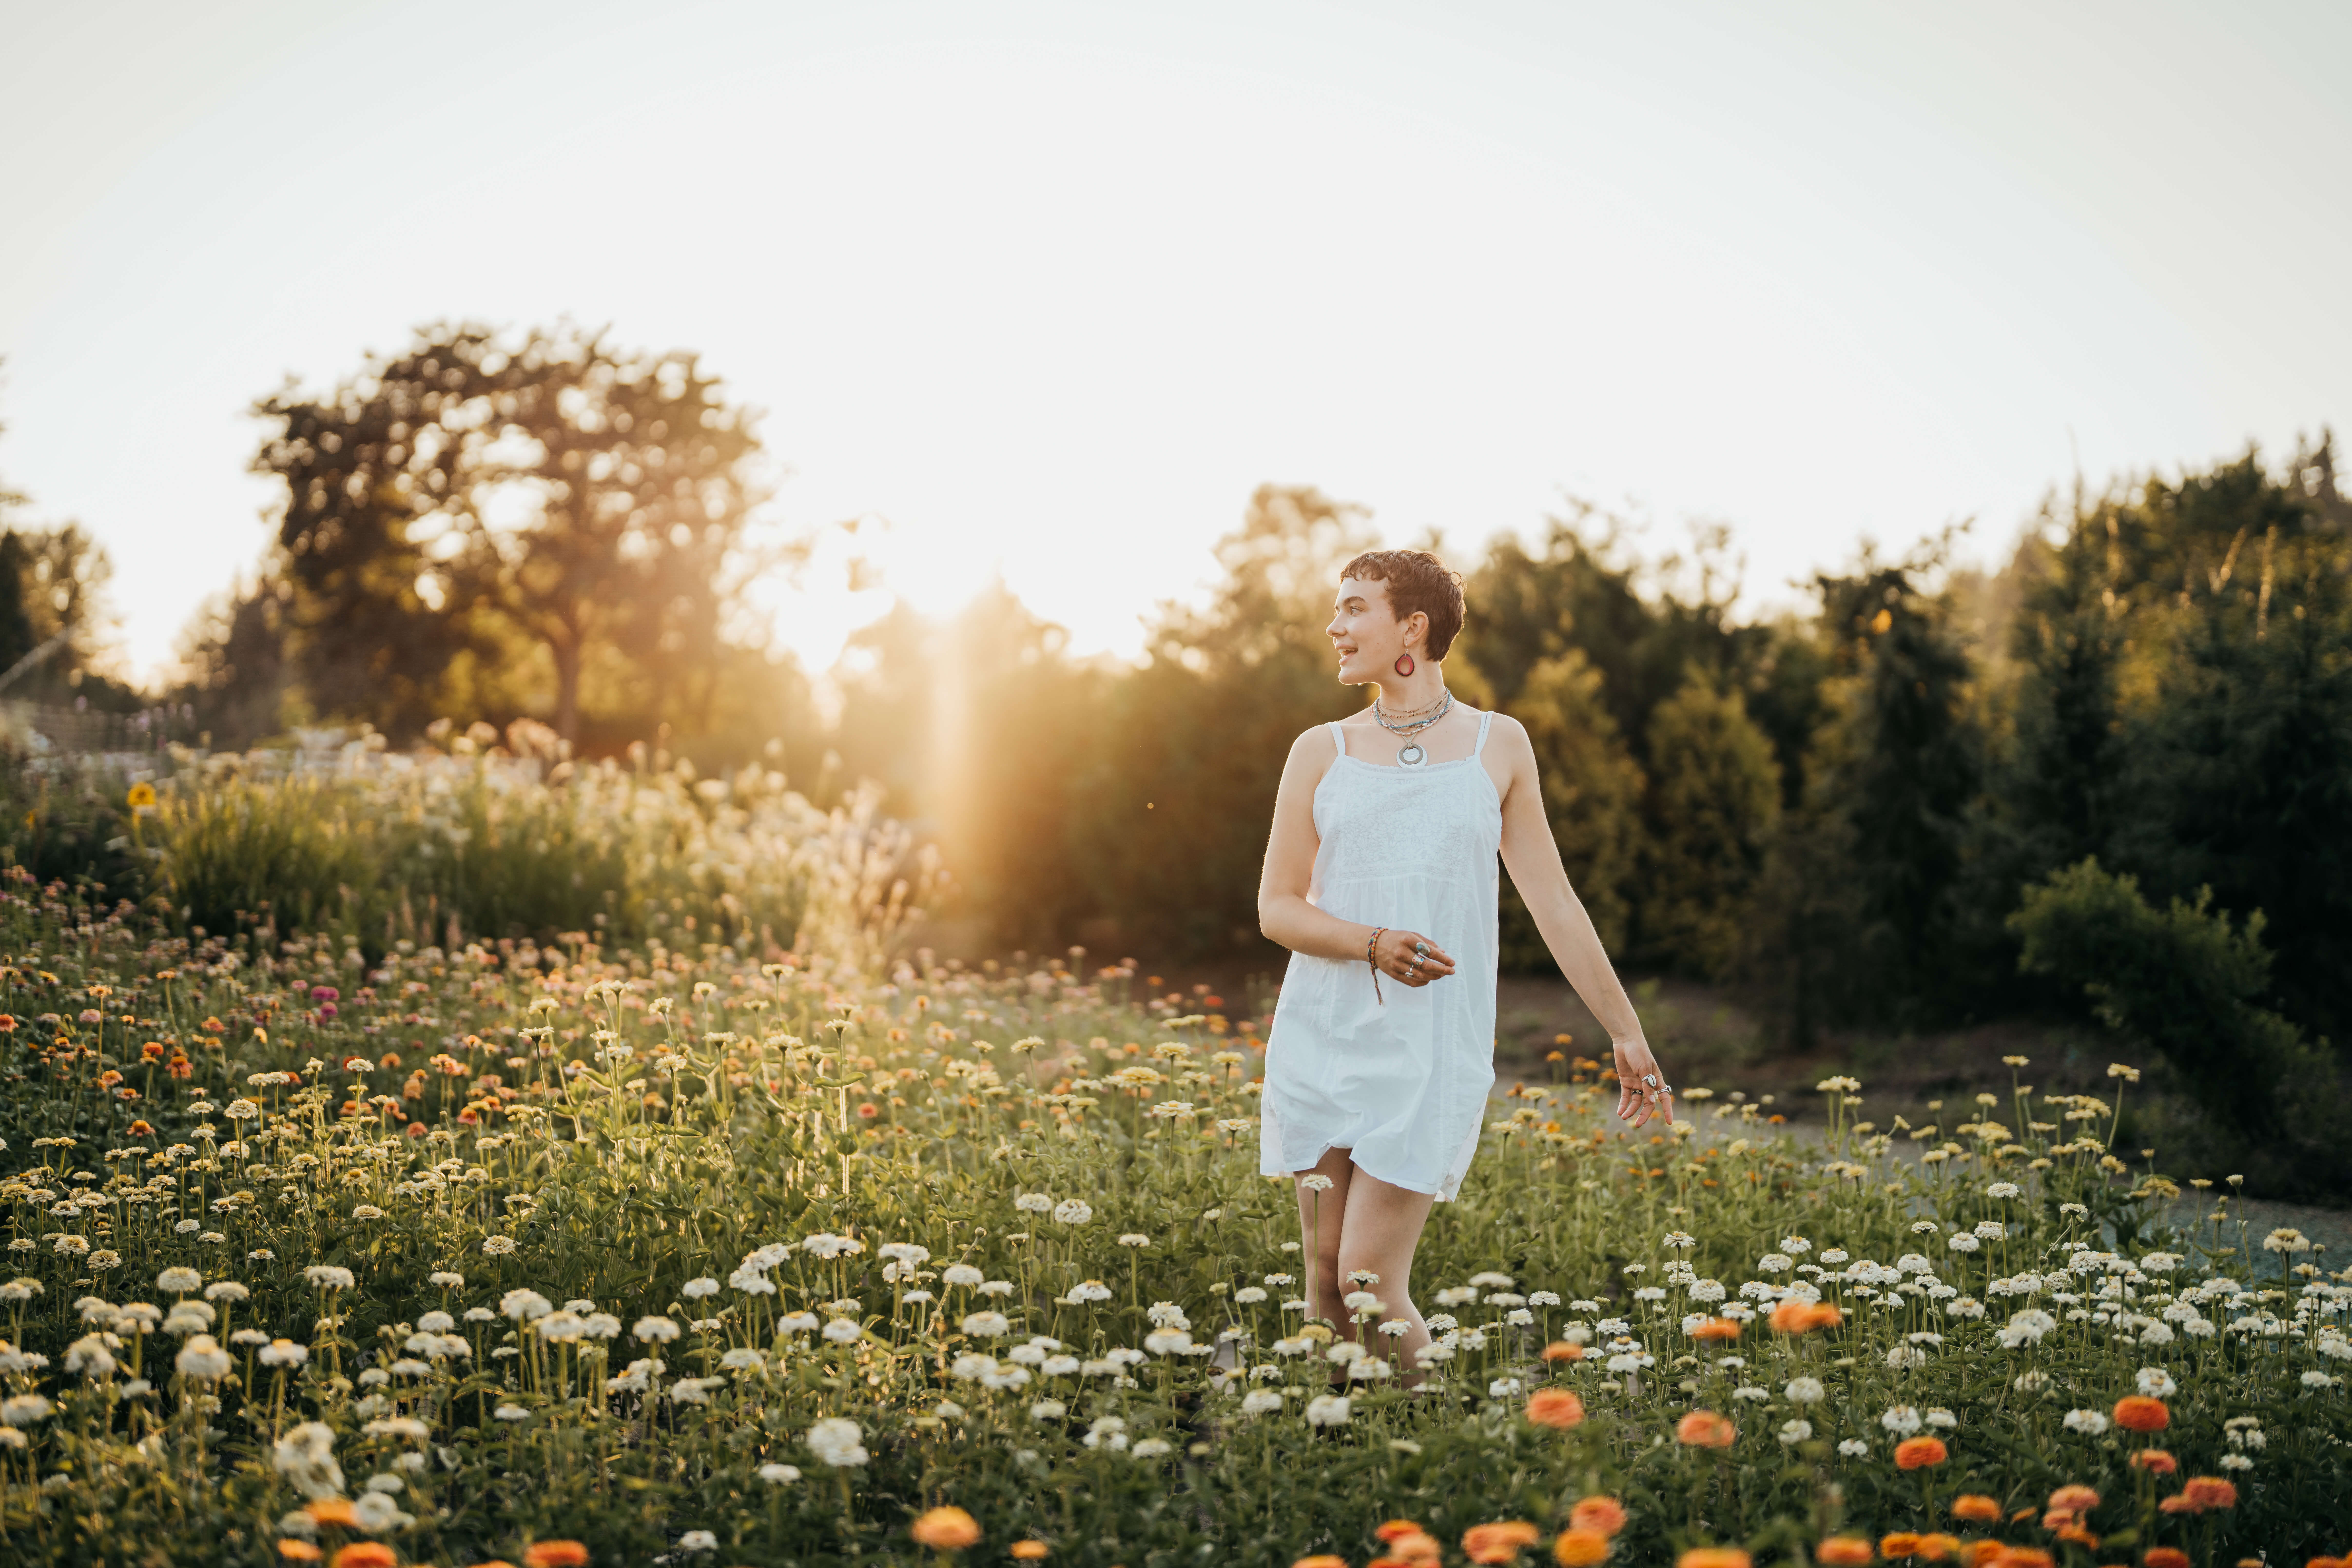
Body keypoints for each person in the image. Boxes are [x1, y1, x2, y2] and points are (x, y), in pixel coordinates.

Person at [1256, 548, 1675, 1368]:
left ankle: (1449, 1454)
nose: (1333, 627)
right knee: (1321, 1283)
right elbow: (1276, 908)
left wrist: (1625, 1032)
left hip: (1430, 1045)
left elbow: (1554, 902)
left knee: (1370, 1282)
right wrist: (1371, 944)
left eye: (1353, 609)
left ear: (1412, 626)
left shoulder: (1499, 745)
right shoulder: (1320, 751)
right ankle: (1340, 1469)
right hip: (1323, 1030)